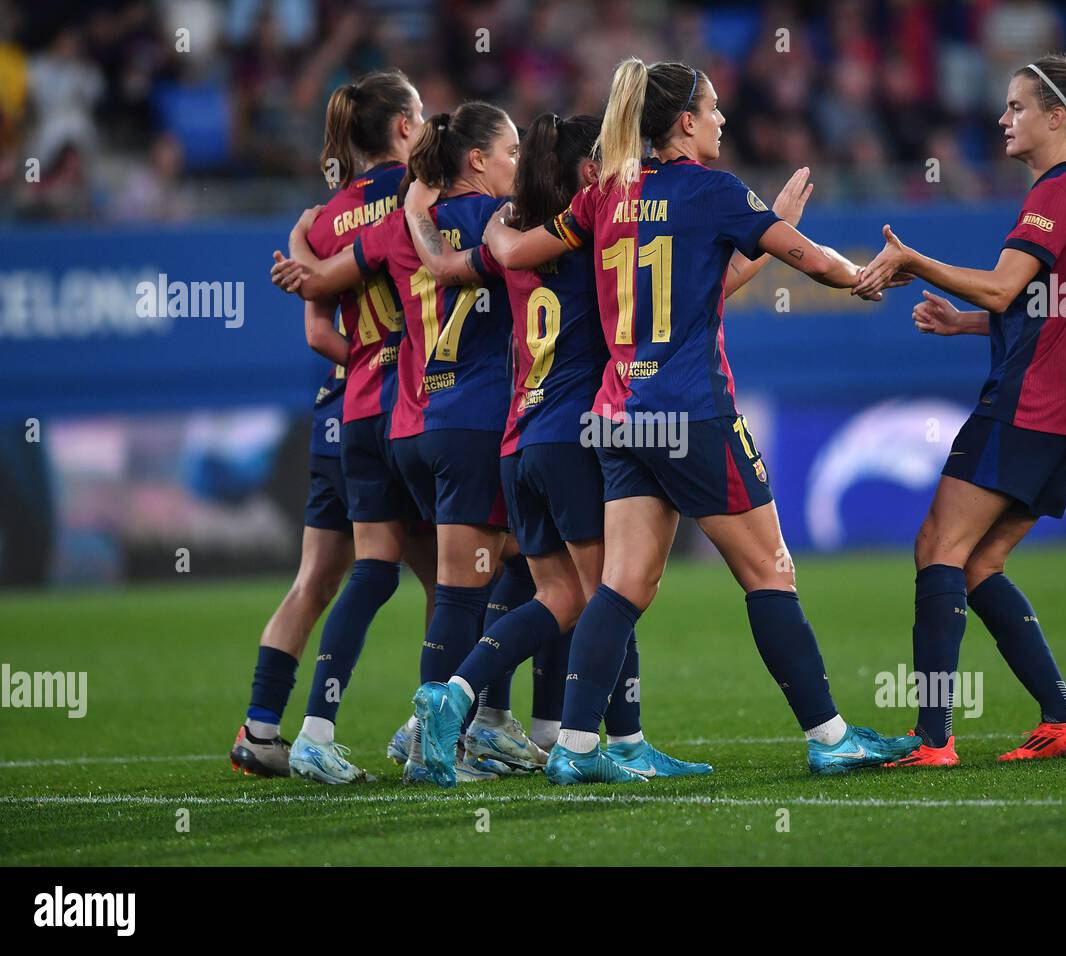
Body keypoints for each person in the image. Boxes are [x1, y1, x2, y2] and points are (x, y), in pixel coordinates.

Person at [439, 59, 918, 785]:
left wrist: (500, 232)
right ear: (686, 122)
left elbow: (520, 252)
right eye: (715, 107)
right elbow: (804, 259)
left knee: (623, 586)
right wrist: (861, 274)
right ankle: (830, 736)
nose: (724, 118)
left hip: (618, 416)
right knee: (770, 571)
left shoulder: (606, 197)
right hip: (692, 412)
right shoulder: (716, 191)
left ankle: (574, 748)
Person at [403, 113, 818, 786]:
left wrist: (417, 215)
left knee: (559, 597)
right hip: (575, 436)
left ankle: (451, 696)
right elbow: (692, 296)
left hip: (519, 442)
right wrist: (772, 231)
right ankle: (620, 743)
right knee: (611, 594)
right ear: (586, 170)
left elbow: (445, 265)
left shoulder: (513, 235)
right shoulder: (596, 232)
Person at [855, 34, 1066, 766]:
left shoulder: (1057, 194)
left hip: (1032, 403)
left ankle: (932, 739)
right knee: (978, 565)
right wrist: (967, 322)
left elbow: (1006, 286)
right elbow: (1052, 307)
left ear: (1055, 117)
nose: (1004, 119)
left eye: (1017, 107)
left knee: (936, 549)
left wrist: (915, 260)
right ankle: (1063, 718)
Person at [272, 102, 536, 784]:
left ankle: (446, 727)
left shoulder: (395, 226)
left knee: (457, 575)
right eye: (510, 150)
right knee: (485, 582)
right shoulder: (499, 225)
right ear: (474, 160)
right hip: (473, 420)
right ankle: (440, 736)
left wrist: (302, 238)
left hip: (408, 426)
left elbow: (320, 285)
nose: (519, 162)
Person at [254, 69, 439, 785]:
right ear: (401, 126)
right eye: (421, 114)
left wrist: (369, 349)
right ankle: (439, 729)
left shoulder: (322, 219)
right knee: (461, 577)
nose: (427, 126)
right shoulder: (421, 190)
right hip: (419, 406)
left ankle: (277, 728)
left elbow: (317, 330)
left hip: (352, 404)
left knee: (356, 573)